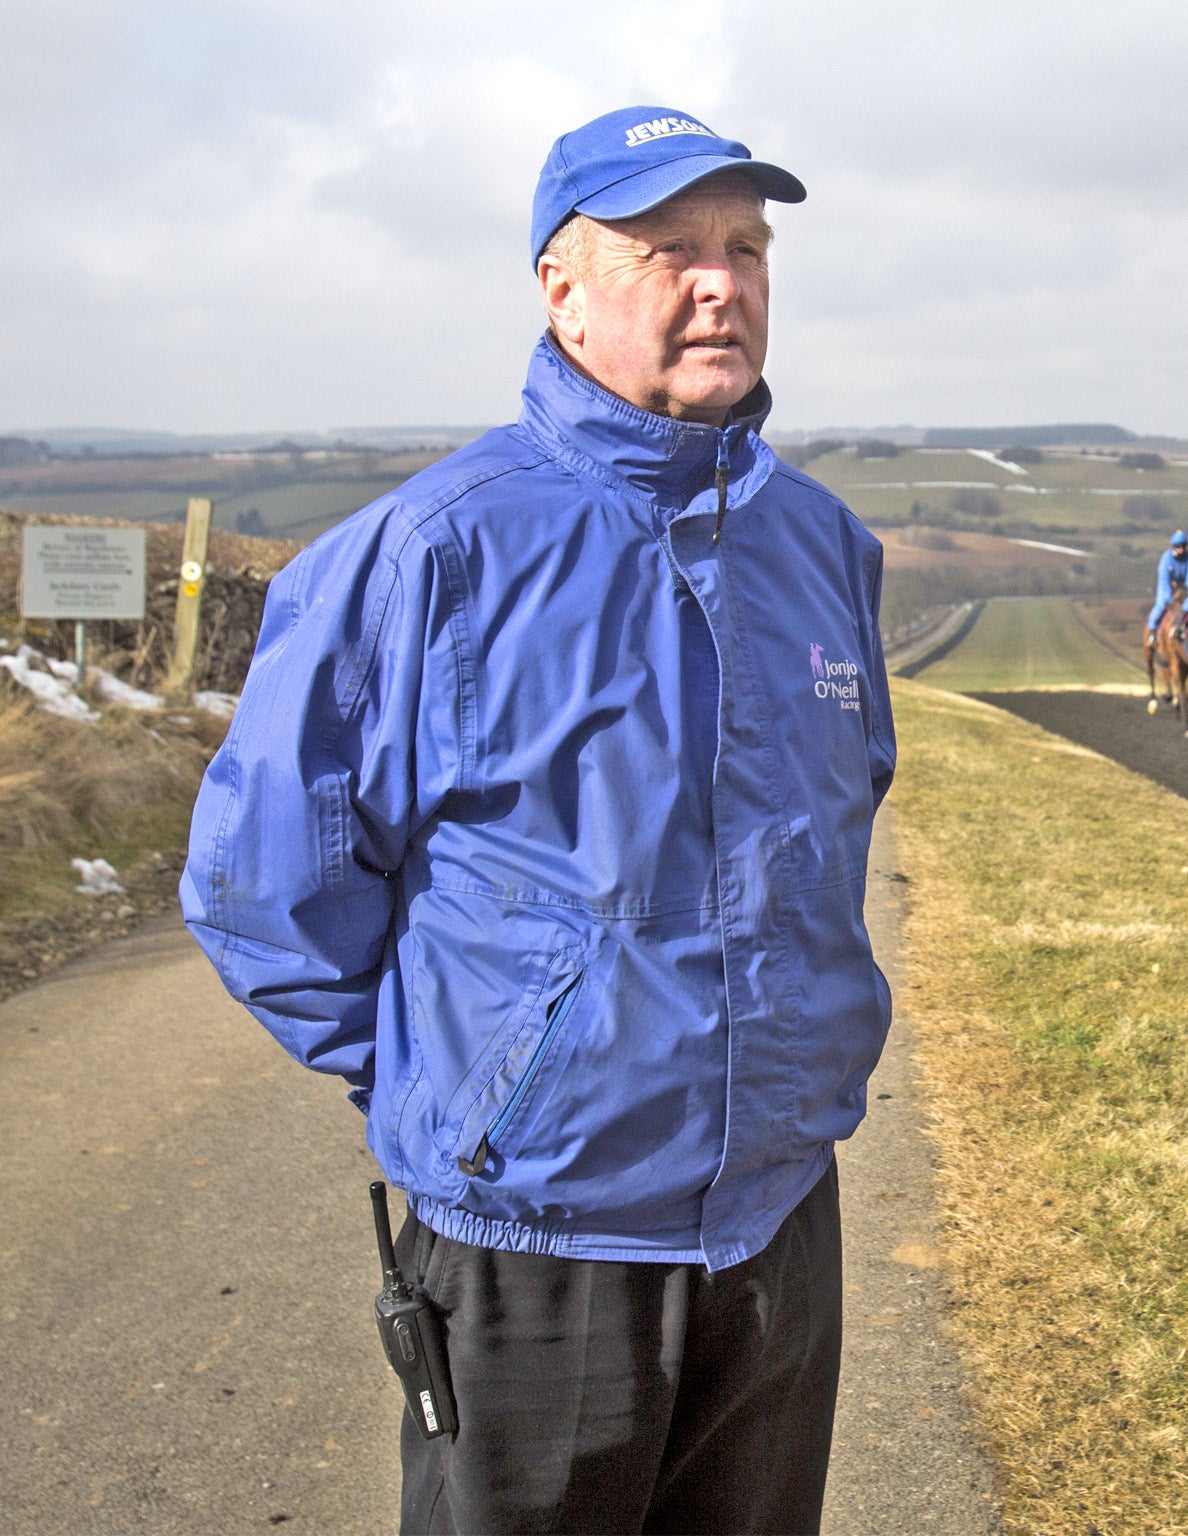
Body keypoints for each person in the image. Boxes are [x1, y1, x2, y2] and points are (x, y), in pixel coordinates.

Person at [181, 106, 891, 1535]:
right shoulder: (429, 552)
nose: (722, 284)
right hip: (534, 1247)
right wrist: (481, 1088)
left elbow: (839, 821)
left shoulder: (823, 545)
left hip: (772, 1231)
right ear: (561, 290)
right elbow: (267, 886)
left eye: (746, 248)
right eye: (670, 251)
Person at [1146, 530, 1188, 641]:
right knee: (1161, 604)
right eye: (1178, 547)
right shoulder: (1166, 559)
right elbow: (1164, 580)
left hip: (1185, 587)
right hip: (1168, 586)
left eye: (1183, 546)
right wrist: (1170, 599)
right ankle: (1152, 630)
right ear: (1173, 547)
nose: (1181, 549)